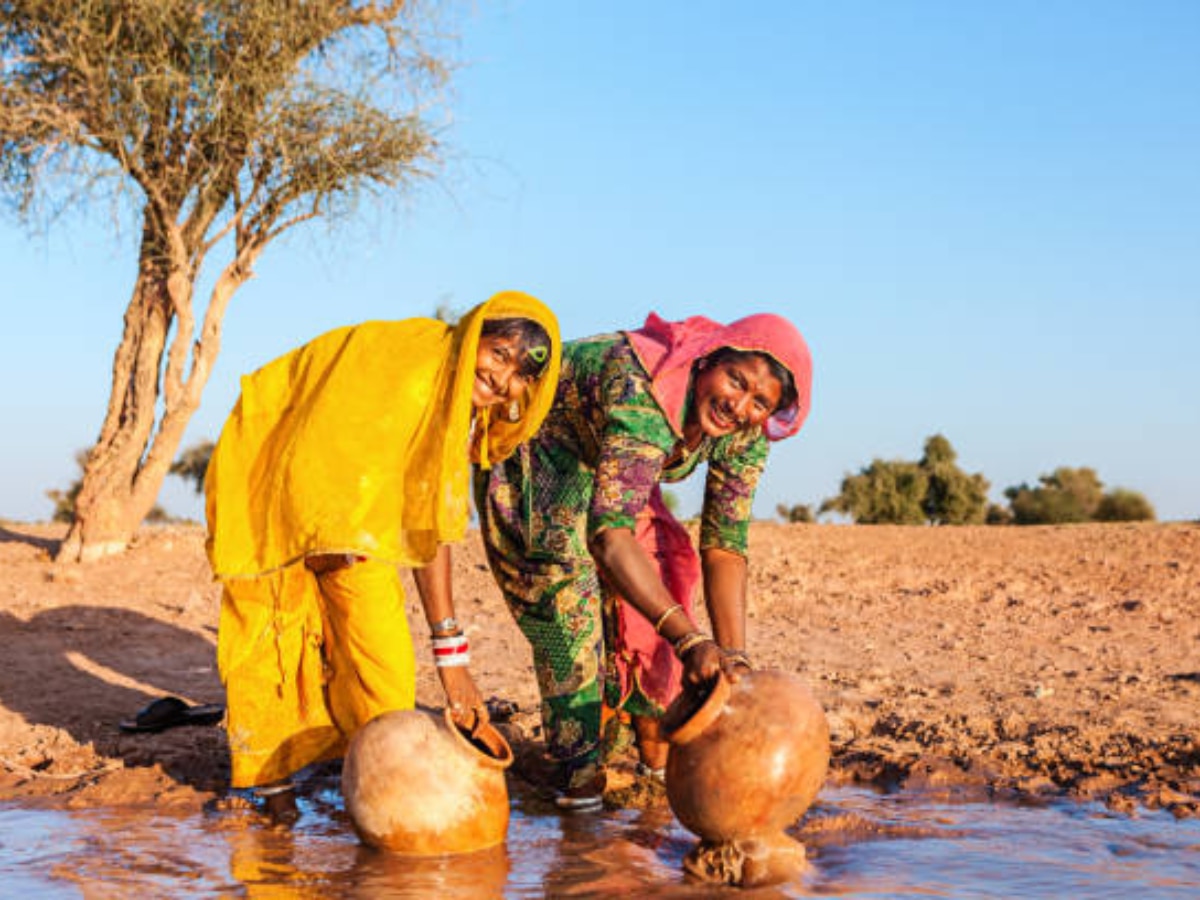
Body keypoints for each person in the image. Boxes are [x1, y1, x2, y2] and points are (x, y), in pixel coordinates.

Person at [205, 291, 560, 800]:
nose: (503, 379)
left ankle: (361, 785)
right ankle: (264, 799)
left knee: (384, 682)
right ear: (474, 337)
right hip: (273, 483)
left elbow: (425, 526)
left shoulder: (454, 401)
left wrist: (451, 661)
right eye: (500, 354)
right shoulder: (417, 370)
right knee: (273, 654)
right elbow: (330, 445)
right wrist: (452, 664)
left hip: (350, 528)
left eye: (522, 375)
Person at [474, 311, 812, 811]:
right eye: (735, 380)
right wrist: (691, 641)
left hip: (604, 467)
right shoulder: (647, 392)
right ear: (709, 361)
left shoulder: (744, 433)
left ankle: (639, 749)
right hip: (536, 453)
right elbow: (610, 537)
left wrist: (734, 658)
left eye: (760, 402)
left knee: (660, 586)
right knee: (569, 610)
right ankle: (578, 781)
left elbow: (724, 543)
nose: (739, 405)